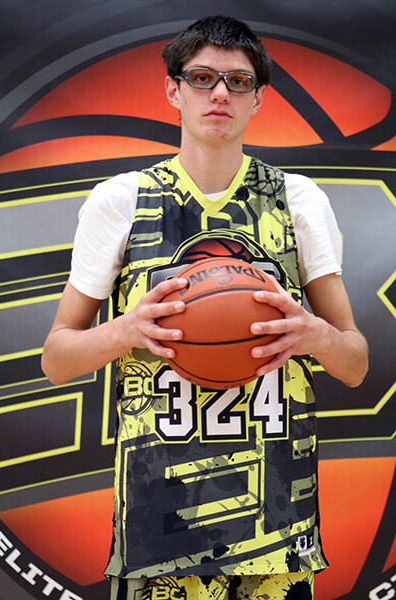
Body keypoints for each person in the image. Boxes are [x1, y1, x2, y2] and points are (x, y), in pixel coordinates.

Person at [42, 15, 368, 600]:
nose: (220, 93)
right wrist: (127, 329)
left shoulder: (298, 199)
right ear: (173, 90)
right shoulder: (121, 201)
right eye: (201, 78)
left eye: (238, 81)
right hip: (159, 530)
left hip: (277, 527)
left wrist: (314, 334)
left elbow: (355, 363)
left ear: (258, 98)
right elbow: (56, 359)